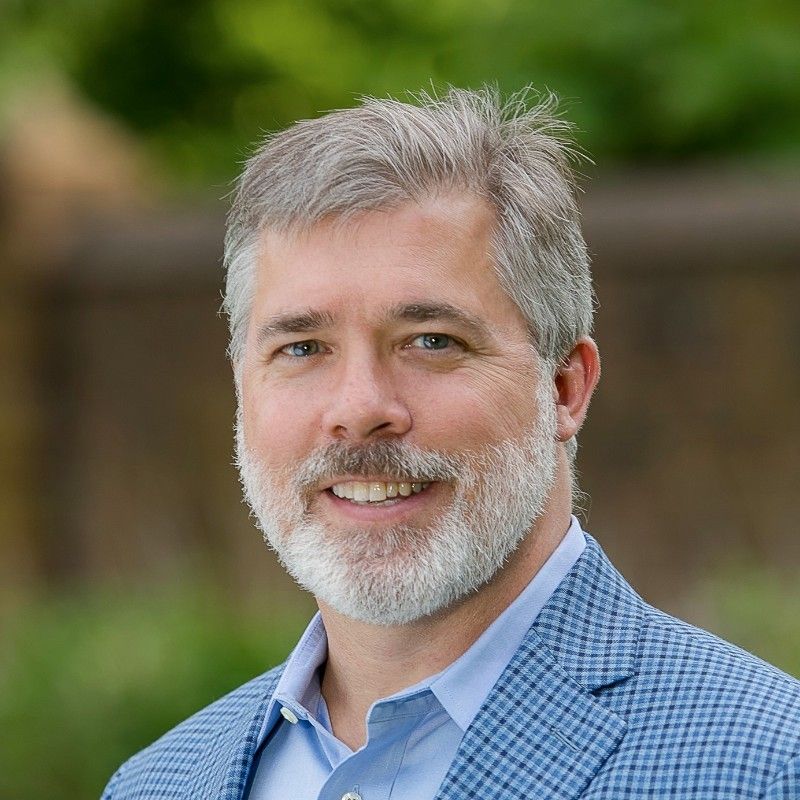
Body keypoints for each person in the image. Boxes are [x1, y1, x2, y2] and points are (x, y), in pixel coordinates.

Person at [101, 87, 800, 800]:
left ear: (564, 388)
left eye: (432, 341)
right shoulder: (155, 784)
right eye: (303, 347)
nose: (359, 409)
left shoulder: (769, 766)